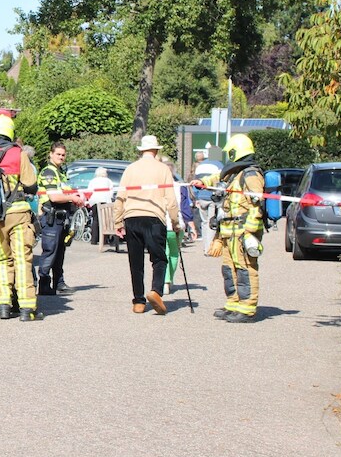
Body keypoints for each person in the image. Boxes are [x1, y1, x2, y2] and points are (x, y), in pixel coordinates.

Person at [192, 133, 266, 323]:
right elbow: (219, 176)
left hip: (242, 231)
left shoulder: (251, 174)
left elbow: (256, 204)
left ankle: (247, 309)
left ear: (237, 151)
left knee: (245, 269)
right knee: (229, 269)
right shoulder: (236, 173)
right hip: (228, 231)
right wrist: (203, 183)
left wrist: (250, 232)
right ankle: (233, 304)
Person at [0, 115, 41, 321]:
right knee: (22, 260)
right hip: (18, 213)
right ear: (9, 131)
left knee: (2, 260)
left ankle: (3, 305)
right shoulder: (17, 153)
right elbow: (30, 183)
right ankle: (26, 308)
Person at [113, 135, 182, 315]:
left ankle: (138, 301)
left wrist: (117, 220)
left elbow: (120, 196)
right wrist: (175, 222)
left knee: (135, 262)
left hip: (132, 217)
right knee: (159, 258)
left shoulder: (130, 169)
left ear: (141, 151)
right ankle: (156, 291)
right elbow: (171, 199)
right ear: (156, 150)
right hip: (154, 217)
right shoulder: (163, 169)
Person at [35, 141, 86, 296]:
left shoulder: (60, 172)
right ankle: (44, 284)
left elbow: (65, 192)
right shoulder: (49, 172)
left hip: (61, 218)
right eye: (58, 154)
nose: (61, 157)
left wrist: (76, 197)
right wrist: (72, 197)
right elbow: (54, 196)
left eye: (63, 155)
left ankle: (59, 283)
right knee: (50, 251)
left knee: (59, 252)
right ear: (50, 154)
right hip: (51, 217)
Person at [161, 156, 196, 296]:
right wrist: (192, 226)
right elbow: (185, 207)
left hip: (161, 223)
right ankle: (169, 280)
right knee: (174, 253)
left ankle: (165, 280)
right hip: (177, 224)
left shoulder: (157, 187)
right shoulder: (181, 187)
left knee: (164, 253)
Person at [85, 166, 115, 245]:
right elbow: (111, 192)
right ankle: (104, 240)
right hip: (105, 201)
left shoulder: (93, 181)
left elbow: (89, 191)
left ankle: (94, 240)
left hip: (95, 201)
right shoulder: (108, 181)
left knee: (95, 220)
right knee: (105, 220)